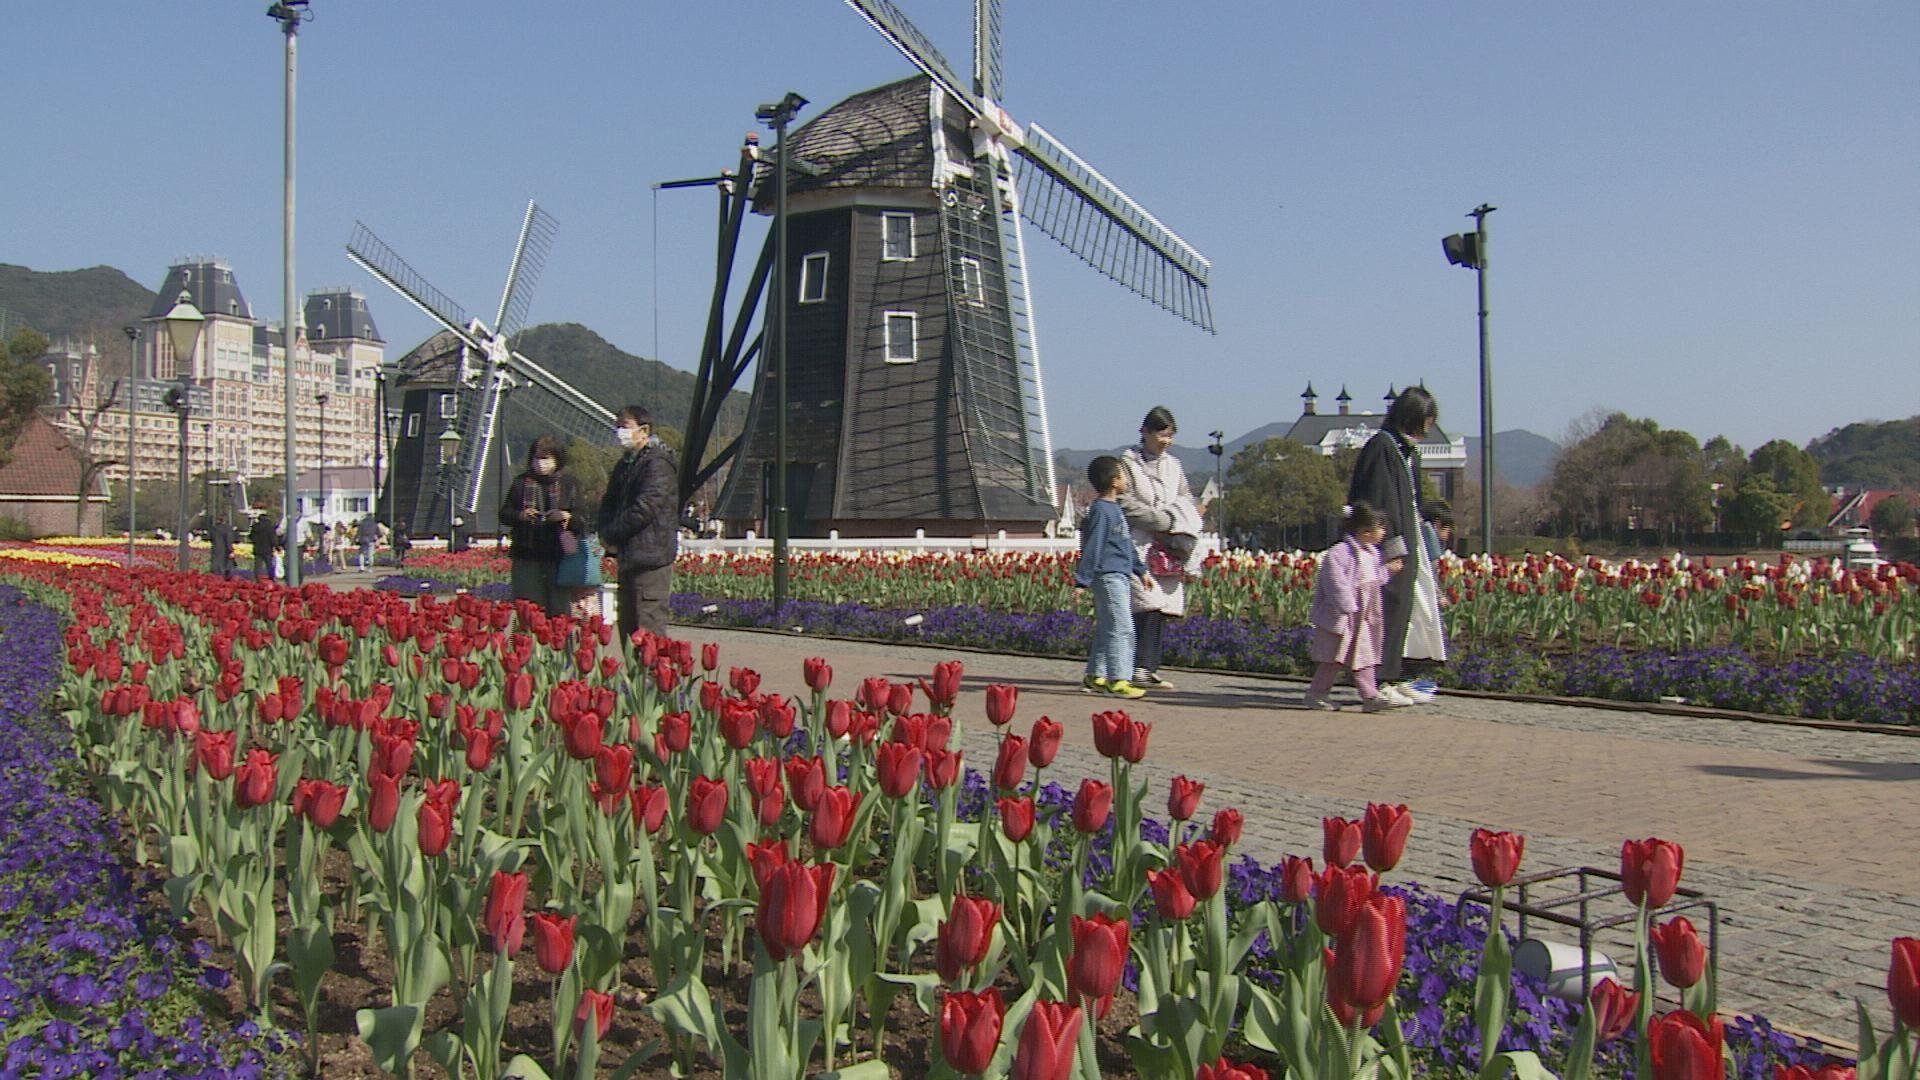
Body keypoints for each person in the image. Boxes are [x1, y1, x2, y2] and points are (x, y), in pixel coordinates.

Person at [1348, 385, 1447, 704]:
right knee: (1387, 607)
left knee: (1409, 606)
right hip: (1390, 543)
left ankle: (1400, 669)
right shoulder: (1382, 448)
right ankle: (1379, 676)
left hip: (1408, 538)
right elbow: (1378, 501)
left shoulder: (1404, 451)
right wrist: (1389, 545)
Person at [1117, 406, 1205, 690]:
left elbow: (1184, 498)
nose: (1164, 441)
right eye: (1160, 434)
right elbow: (1125, 502)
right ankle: (1137, 664)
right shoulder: (1128, 463)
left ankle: (1150, 665)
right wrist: (1161, 520)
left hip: (1169, 544)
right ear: (1145, 432)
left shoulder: (1173, 466)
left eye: (1169, 436)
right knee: (1145, 604)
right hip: (1141, 542)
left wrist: (1178, 522)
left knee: (1162, 606)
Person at [1304, 502, 1401, 712]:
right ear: (1365, 531)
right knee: (1333, 658)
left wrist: (1389, 571)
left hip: (1366, 615)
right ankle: (1316, 694)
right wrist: (1347, 606)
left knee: (1364, 655)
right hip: (1344, 615)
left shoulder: (1373, 554)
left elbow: (1373, 580)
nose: (1383, 533)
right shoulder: (1339, 553)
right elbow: (1335, 583)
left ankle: (1370, 696)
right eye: (1380, 528)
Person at [597, 405, 679, 644]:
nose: (619, 432)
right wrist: (604, 530)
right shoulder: (625, 464)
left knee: (648, 627)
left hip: (651, 555)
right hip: (629, 556)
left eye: (625, 427)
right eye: (618, 427)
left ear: (644, 431)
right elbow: (609, 501)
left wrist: (612, 533)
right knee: (628, 626)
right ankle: (635, 679)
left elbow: (645, 508)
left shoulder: (658, 464)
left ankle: (654, 680)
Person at [1076, 455, 1152, 699]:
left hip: (1120, 574)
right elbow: (1094, 545)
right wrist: (1083, 579)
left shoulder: (1115, 509)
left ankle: (1095, 675)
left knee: (1107, 627)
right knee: (1122, 628)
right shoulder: (1101, 510)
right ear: (1112, 481)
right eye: (1122, 475)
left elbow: (1125, 544)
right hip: (1108, 576)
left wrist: (1141, 570)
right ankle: (1119, 678)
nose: (1126, 480)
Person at [499, 435, 586, 617]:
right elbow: (505, 514)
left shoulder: (569, 484)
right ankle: (529, 645)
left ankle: (561, 645)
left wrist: (566, 516)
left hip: (560, 556)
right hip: (528, 553)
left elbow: (582, 519)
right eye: (536, 458)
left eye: (546, 458)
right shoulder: (521, 482)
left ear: (557, 459)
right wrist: (521, 515)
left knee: (560, 611)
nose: (540, 463)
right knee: (530, 610)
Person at [247, 511, 280, 581]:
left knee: (258, 566)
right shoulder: (270, 527)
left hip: (257, 548)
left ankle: (257, 578)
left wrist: (255, 542)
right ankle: (271, 577)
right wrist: (276, 546)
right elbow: (272, 538)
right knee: (269, 565)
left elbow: (251, 537)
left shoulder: (255, 526)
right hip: (268, 549)